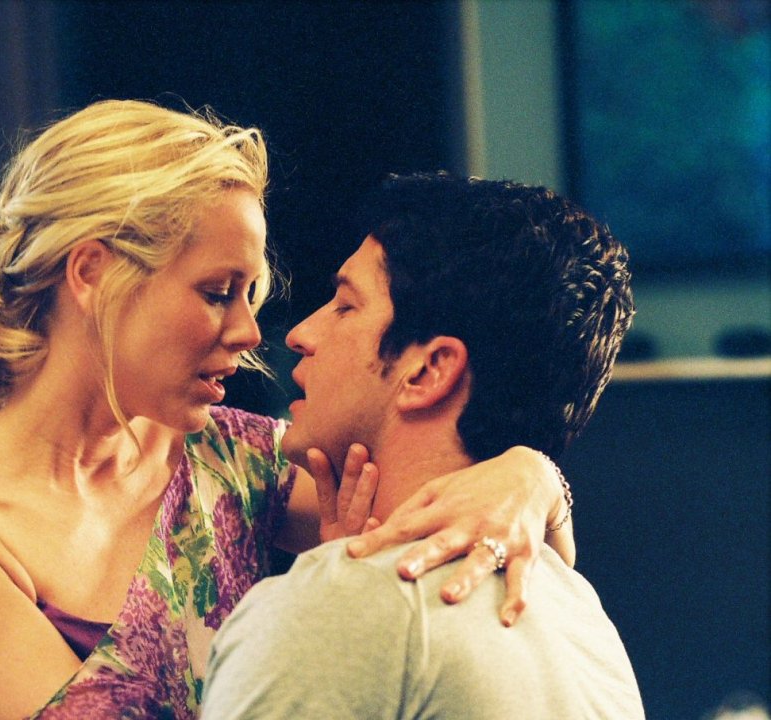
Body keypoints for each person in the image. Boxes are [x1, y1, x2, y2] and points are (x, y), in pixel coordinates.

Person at [0, 101, 575, 720]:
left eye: (249, 294)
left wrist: (531, 476)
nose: (248, 332)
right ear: (92, 272)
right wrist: (323, 613)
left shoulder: (237, 462)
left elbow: (504, 558)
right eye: (217, 293)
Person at [201, 172, 644, 719]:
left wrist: (334, 603)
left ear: (428, 371)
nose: (300, 334)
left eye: (345, 305)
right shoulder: (583, 619)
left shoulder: (334, 610)